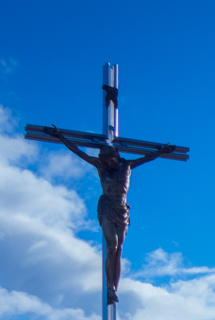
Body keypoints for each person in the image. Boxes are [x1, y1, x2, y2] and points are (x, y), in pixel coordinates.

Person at [48, 126, 175, 304]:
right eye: (105, 160)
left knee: (119, 250)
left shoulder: (127, 166)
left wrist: (162, 151)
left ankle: (114, 287)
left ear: (116, 156)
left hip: (122, 211)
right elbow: (77, 151)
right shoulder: (101, 167)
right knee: (112, 247)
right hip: (107, 207)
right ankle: (109, 287)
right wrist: (60, 136)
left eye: (111, 159)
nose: (108, 163)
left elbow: (148, 158)